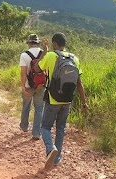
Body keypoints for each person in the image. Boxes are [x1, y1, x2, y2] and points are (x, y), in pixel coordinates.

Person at [38, 33, 88, 169]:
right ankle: (57, 158)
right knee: (61, 128)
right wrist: (84, 103)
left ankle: (50, 148)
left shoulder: (50, 55)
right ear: (65, 44)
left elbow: (37, 69)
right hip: (67, 99)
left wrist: (44, 51)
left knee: (45, 126)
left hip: (53, 98)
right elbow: (79, 83)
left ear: (54, 44)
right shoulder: (75, 58)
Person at [19, 33, 48, 140]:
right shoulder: (44, 54)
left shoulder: (24, 55)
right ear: (37, 43)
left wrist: (23, 86)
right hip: (41, 85)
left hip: (28, 85)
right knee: (39, 109)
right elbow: (47, 71)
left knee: (26, 106)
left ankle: (24, 127)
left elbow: (23, 73)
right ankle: (36, 133)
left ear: (29, 43)